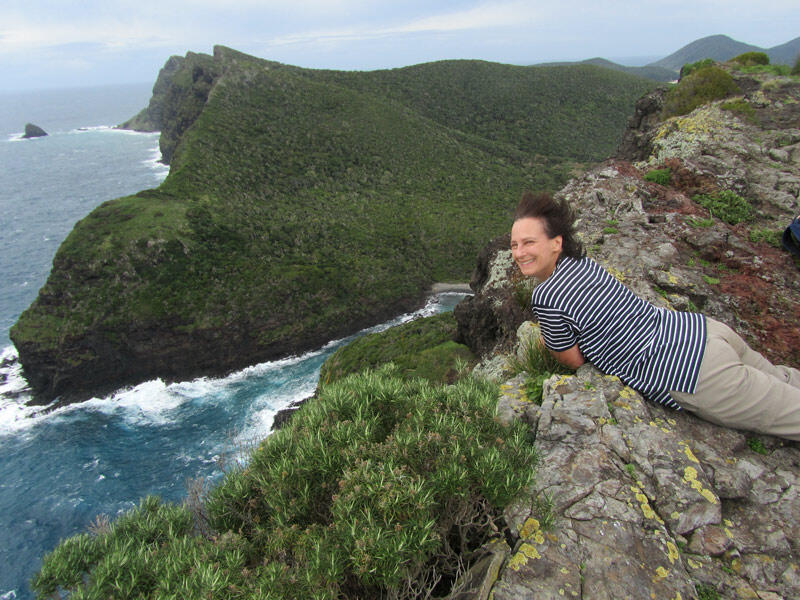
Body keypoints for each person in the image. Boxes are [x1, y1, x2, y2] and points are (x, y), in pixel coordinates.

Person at [510, 191, 800, 440]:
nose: (520, 252)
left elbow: (572, 360)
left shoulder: (546, 296)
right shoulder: (582, 263)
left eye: (529, 242)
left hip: (692, 371)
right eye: (514, 245)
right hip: (702, 331)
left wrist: (549, 341)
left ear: (556, 243)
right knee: (784, 379)